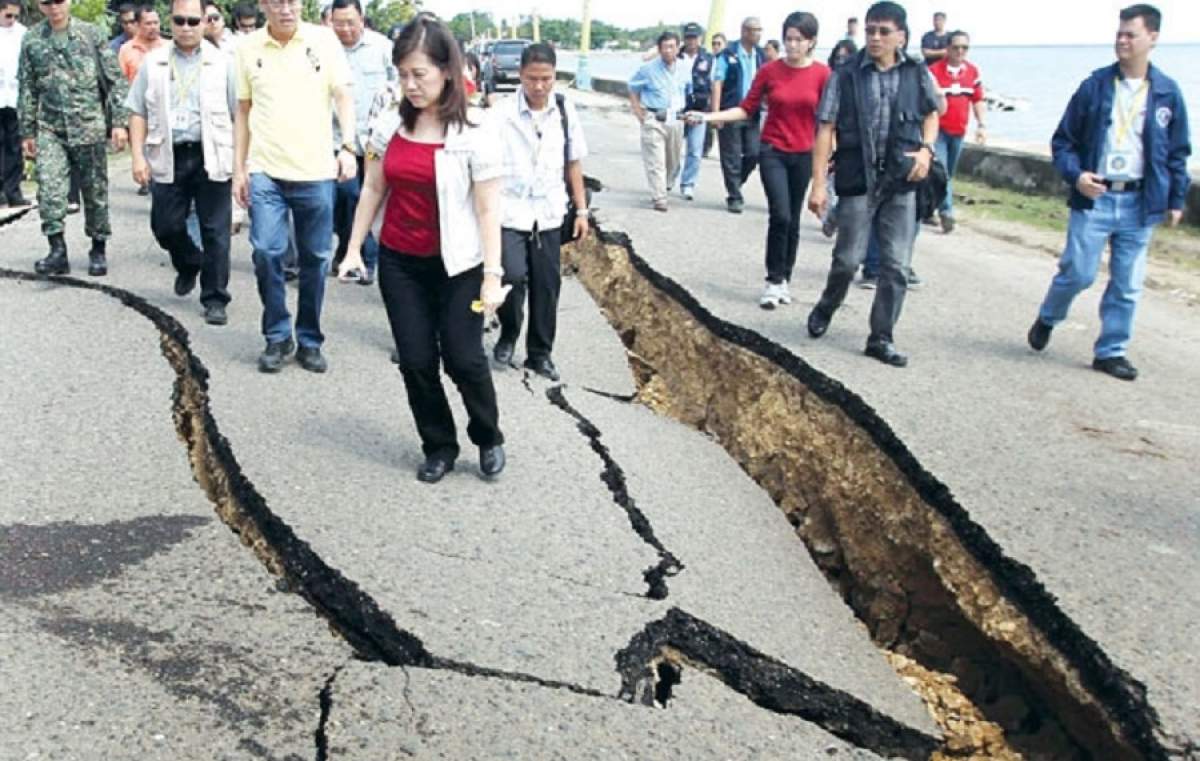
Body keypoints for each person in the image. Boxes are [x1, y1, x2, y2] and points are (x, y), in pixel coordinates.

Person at [338, 15, 508, 483]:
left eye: (420, 75)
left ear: (447, 72)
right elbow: (372, 188)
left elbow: (489, 210)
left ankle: (488, 434)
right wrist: (353, 248)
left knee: (464, 356)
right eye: (403, 74)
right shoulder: (390, 121)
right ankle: (439, 444)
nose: (410, 85)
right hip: (400, 261)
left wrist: (493, 275)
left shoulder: (475, 130)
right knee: (415, 360)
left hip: (461, 265)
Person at [1027, 4, 1190, 382]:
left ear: (1153, 38)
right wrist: (1076, 175)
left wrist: (1176, 199)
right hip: (1096, 197)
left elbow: (1178, 152)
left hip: (1140, 200)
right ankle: (1049, 315)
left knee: (1128, 283)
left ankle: (1111, 350)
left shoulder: (1167, 93)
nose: (1122, 41)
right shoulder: (1095, 87)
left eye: (1131, 34)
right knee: (1078, 273)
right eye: (1119, 33)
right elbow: (1063, 141)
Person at [806, 1, 941, 368]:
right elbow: (825, 129)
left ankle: (881, 336)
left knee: (896, 266)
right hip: (856, 179)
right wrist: (818, 185)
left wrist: (927, 151)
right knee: (847, 261)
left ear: (901, 35)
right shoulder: (846, 74)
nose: (876, 38)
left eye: (883, 31)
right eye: (870, 31)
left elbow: (932, 113)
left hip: (901, 183)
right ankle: (828, 304)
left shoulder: (916, 73)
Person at [233, 0, 356, 374]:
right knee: (266, 252)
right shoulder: (247, 47)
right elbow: (243, 110)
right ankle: (277, 334)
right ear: (263, 5)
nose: (286, 8)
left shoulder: (324, 41)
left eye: (293, 1)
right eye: (277, 1)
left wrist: (348, 145)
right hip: (265, 168)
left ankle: (309, 338)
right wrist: (239, 168)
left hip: (315, 169)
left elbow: (343, 95)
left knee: (316, 259)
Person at [693, 12, 829, 310]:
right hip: (773, 150)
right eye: (788, 38)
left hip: (804, 154)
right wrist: (707, 117)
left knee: (793, 219)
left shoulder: (823, 75)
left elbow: (829, 125)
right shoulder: (770, 71)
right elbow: (745, 109)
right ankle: (772, 279)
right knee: (779, 215)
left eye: (798, 40)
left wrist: (828, 164)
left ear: (811, 42)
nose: (792, 45)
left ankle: (785, 279)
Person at [127, 0, 236, 325]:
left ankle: (215, 297)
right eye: (179, 21)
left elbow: (240, 114)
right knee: (165, 225)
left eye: (193, 21)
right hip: (169, 153)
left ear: (204, 22)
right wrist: (136, 157)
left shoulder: (224, 63)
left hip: (211, 152)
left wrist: (243, 163)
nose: (186, 28)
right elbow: (137, 111)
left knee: (215, 230)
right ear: (169, 22)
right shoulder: (154, 62)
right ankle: (189, 262)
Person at [491, 42, 589, 381]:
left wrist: (581, 210)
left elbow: (573, 163)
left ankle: (540, 353)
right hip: (510, 210)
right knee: (512, 275)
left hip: (548, 211)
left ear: (555, 76)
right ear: (520, 75)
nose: (539, 86)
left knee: (547, 286)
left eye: (546, 78)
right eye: (532, 78)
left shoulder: (564, 111)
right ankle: (508, 332)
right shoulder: (501, 114)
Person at [19, 0, 129, 276]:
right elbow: (27, 86)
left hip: (88, 125)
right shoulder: (32, 40)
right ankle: (57, 250)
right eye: (47, 3)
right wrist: (27, 131)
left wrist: (119, 123)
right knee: (50, 189)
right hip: (50, 128)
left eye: (59, 1)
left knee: (95, 192)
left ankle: (98, 247)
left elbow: (114, 80)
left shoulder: (91, 34)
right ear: (39, 6)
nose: (54, 7)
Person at [329, 0, 394, 284]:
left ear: (362, 20)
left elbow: (397, 84)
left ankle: (366, 258)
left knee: (366, 196)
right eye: (338, 22)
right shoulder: (325, 49)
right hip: (335, 138)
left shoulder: (381, 48)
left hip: (373, 139)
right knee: (343, 198)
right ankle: (347, 248)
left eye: (350, 22)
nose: (345, 29)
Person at [928, 30, 985, 233]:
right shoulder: (934, 71)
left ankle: (931, 205)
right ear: (948, 48)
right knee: (942, 171)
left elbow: (977, 99)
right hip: (938, 131)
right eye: (956, 47)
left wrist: (981, 125)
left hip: (959, 131)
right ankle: (947, 212)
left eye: (964, 47)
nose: (960, 51)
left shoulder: (972, 72)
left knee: (948, 174)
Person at [628, 31, 689, 212]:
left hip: (676, 118)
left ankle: (667, 184)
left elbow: (690, 90)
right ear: (659, 49)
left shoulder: (685, 68)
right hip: (654, 118)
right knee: (656, 160)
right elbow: (632, 88)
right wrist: (638, 111)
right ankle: (659, 197)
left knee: (673, 159)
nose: (668, 51)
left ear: (678, 48)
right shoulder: (648, 69)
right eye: (665, 47)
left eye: (672, 47)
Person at [711, 17, 764, 214]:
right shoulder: (727, 55)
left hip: (752, 113)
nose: (758, 34)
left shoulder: (760, 56)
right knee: (731, 155)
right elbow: (717, 83)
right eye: (754, 30)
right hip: (731, 110)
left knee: (753, 153)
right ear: (744, 31)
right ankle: (734, 196)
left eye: (760, 30)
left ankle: (735, 182)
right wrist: (716, 114)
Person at [678, 22, 712, 201]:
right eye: (689, 37)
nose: (692, 41)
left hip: (700, 108)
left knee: (695, 150)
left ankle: (688, 183)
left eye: (695, 37)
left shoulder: (708, 58)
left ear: (700, 39)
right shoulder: (676, 56)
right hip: (678, 108)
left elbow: (714, 84)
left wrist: (713, 111)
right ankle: (670, 177)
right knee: (673, 148)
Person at [0, 0, 28, 208]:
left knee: (14, 146)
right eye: (8, 16)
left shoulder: (23, 34)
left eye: (15, 17)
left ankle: (13, 191)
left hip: (15, 97)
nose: (12, 21)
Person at [118, 5, 163, 82]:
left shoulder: (169, 47)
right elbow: (120, 83)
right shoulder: (126, 50)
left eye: (156, 23)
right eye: (148, 23)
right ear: (138, 25)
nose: (153, 27)